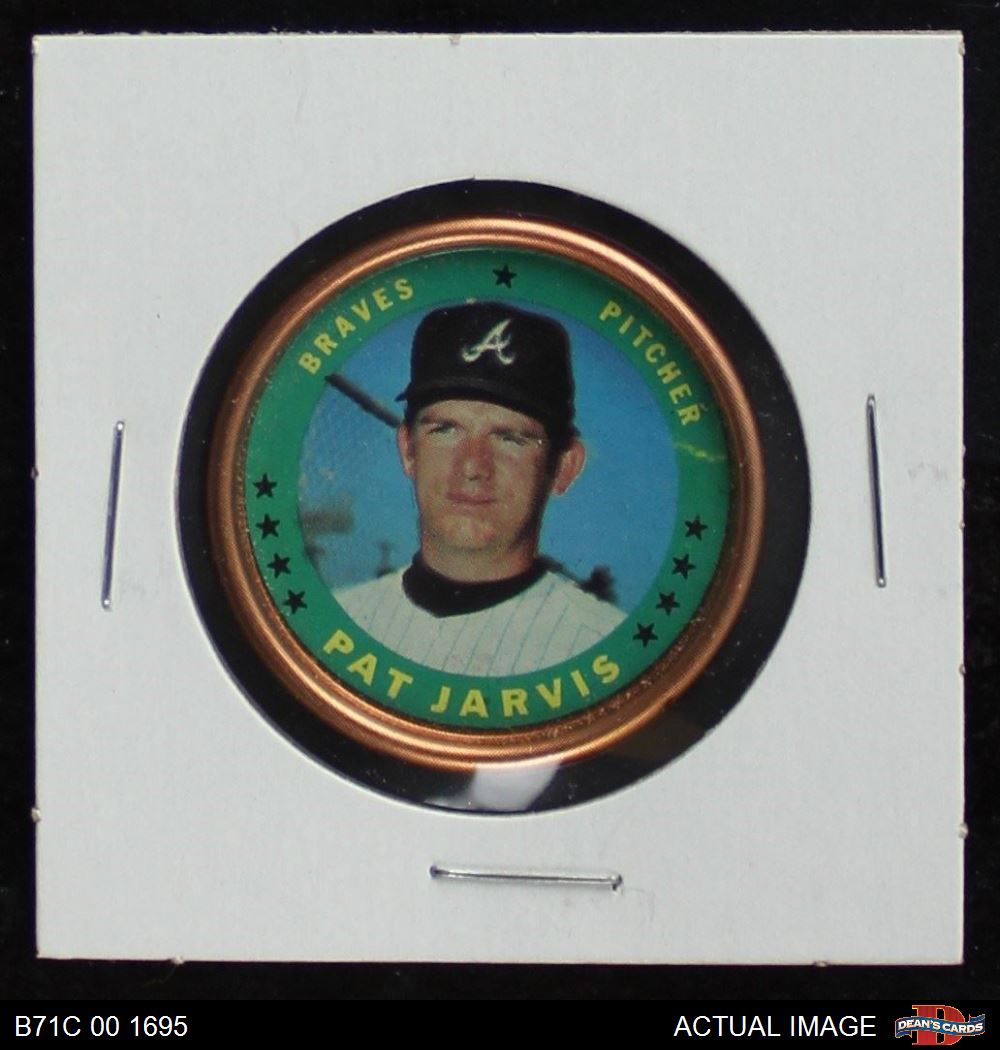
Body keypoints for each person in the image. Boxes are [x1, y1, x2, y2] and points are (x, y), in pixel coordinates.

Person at [335, 302, 624, 675]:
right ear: (408, 450)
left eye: (510, 438)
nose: (472, 467)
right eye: (445, 430)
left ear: (563, 467)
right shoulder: (333, 626)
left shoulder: (613, 650)